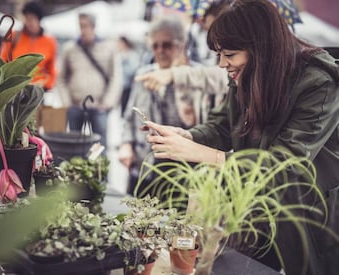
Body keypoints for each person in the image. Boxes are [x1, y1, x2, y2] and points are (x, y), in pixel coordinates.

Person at [141, 0, 339, 274]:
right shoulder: (246, 74)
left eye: (229, 54)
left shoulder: (319, 83)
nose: (222, 64)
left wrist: (207, 155)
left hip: (304, 216)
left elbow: (286, 163)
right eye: (219, 55)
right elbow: (224, 126)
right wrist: (188, 135)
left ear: (261, 49)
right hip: (252, 215)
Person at [118, 17, 227, 196]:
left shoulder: (198, 76)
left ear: (182, 44)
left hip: (185, 169)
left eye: (166, 45)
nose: (160, 51)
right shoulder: (144, 74)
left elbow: (212, 125)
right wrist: (126, 144)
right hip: (146, 164)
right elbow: (130, 116)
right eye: (155, 46)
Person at [60, 12, 122, 149]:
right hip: (75, 106)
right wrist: (67, 102)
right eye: (80, 26)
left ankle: (99, 171)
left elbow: (116, 77)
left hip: (99, 106)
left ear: (93, 27)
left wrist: (107, 102)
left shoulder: (107, 48)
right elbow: (62, 78)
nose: (83, 30)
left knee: (99, 146)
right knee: (75, 145)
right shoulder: (70, 49)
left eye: (86, 26)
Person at [0, 1, 57, 92]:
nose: (28, 22)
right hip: (14, 90)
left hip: (37, 91)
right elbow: (1, 61)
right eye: (26, 18)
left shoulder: (50, 42)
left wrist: (46, 85)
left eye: (32, 19)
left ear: (39, 19)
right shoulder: (13, 36)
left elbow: (52, 71)